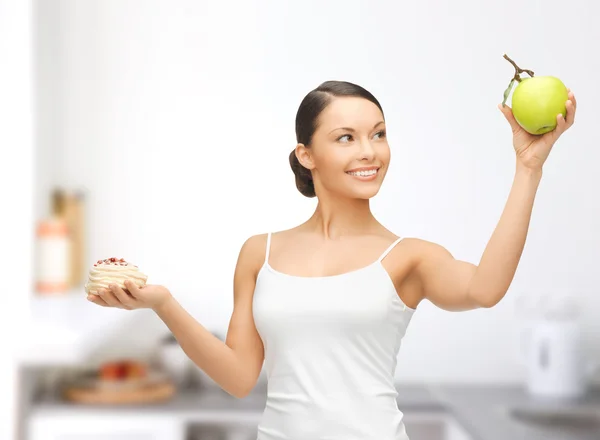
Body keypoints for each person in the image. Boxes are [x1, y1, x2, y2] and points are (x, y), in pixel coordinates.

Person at [87, 80, 577, 439]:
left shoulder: (406, 257)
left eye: (379, 134)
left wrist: (527, 169)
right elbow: (239, 378)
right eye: (346, 137)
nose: (370, 152)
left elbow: (484, 289)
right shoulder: (260, 252)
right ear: (307, 155)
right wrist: (163, 303)